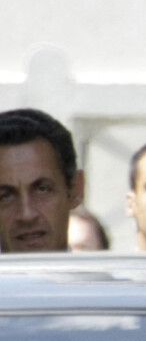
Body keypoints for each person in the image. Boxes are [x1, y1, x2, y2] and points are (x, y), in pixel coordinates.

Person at [0, 108, 84, 252]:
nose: (26, 215)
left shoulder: (101, 275)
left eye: (42, 189)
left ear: (76, 189)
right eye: (5, 196)